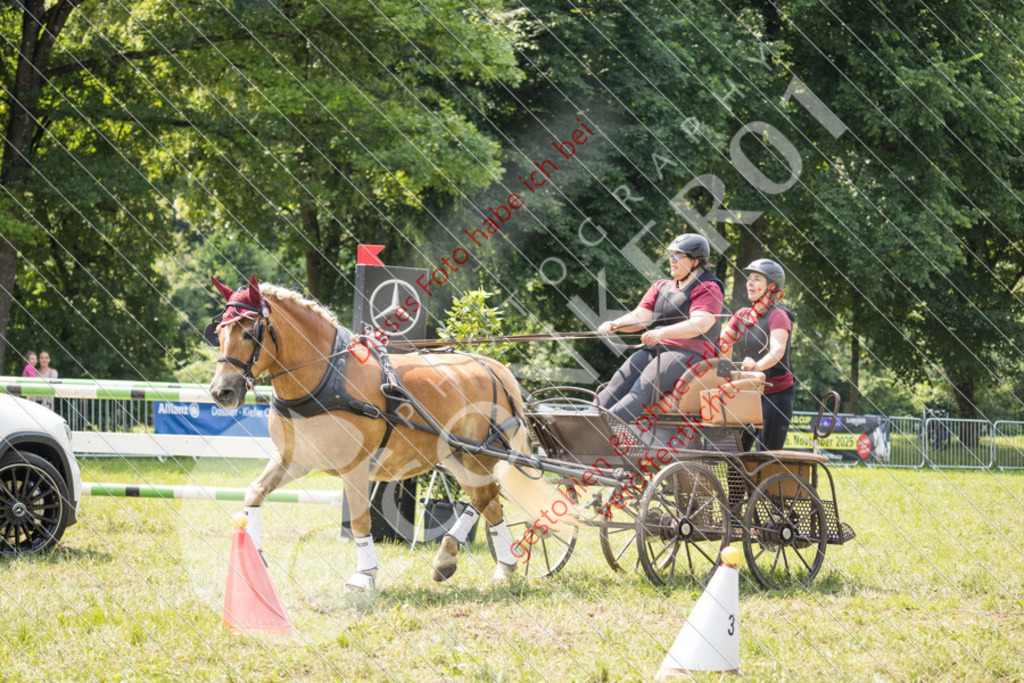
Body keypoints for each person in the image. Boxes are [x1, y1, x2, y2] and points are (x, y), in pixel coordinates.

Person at [596, 234, 724, 421]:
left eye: (678, 256)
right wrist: (617, 324)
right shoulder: (661, 287)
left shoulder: (708, 288)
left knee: (640, 391)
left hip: (689, 354)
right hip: (656, 348)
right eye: (671, 255)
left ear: (696, 261)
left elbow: (700, 324)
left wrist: (661, 333)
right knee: (615, 386)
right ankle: (582, 423)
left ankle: (600, 430)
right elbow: (641, 317)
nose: (672, 260)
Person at [720, 259, 794, 451]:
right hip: (748, 392)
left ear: (772, 287)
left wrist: (757, 366)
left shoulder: (778, 314)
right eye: (749, 278)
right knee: (735, 451)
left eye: (757, 279)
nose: (750, 283)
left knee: (766, 455)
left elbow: (778, 350)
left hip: (775, 394)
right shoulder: (742, 315)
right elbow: (723, 342)